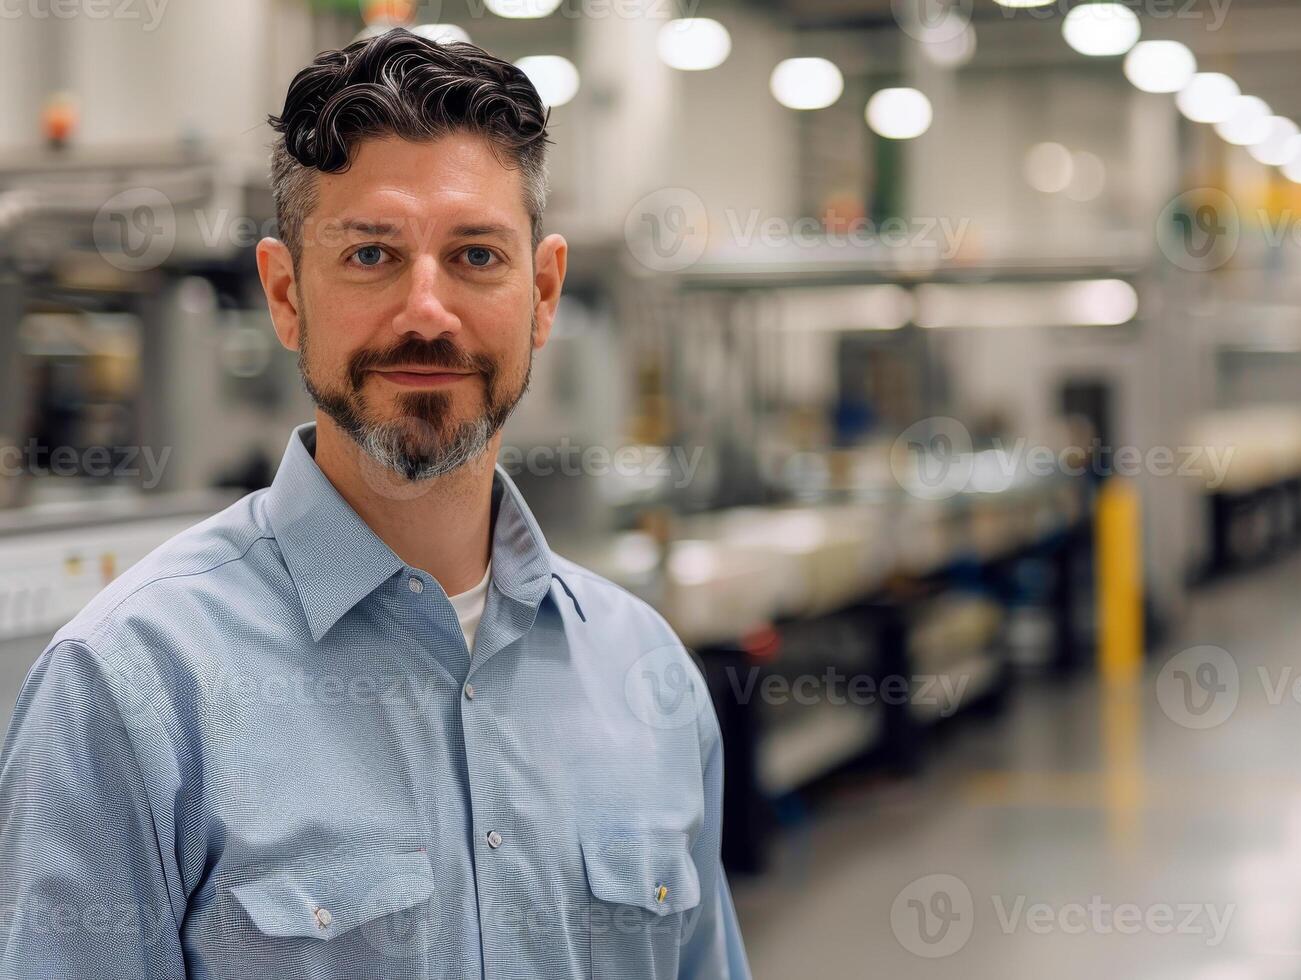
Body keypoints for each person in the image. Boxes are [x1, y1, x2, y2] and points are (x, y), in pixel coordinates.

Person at [0, 28, 751, 980]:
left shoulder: (647, 675)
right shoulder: (131, 689)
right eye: (369, 256)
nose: (426, 311)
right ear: (284, 294)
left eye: (476, 255)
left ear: (544, 293)